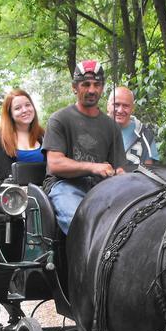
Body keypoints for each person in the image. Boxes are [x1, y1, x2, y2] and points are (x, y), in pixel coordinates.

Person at [41, 60, 127, 234]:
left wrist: (122, 177)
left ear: (102, 88)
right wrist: (93, 167)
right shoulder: (59, 119)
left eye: (97, 84)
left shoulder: (111, 126)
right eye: (85, 84)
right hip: (64, 186)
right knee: (83, 225)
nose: (92, 90)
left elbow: (118, 169)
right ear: (74, 87)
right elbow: (55, 164)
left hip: (101, 188)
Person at [0, 88, 45, 184]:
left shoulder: (42, 135)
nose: (24, 110)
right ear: (10, 114)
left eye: (28, 105)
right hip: (13, 193)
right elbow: (8, 174)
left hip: (44, 190)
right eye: (17, 108)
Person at [109, 85, 159, 168]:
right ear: (108, 106)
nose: (120, 110)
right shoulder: (95, 130)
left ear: (133, 108)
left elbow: (149, 172)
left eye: (125, 106)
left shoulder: (145, 135)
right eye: (116, 104)